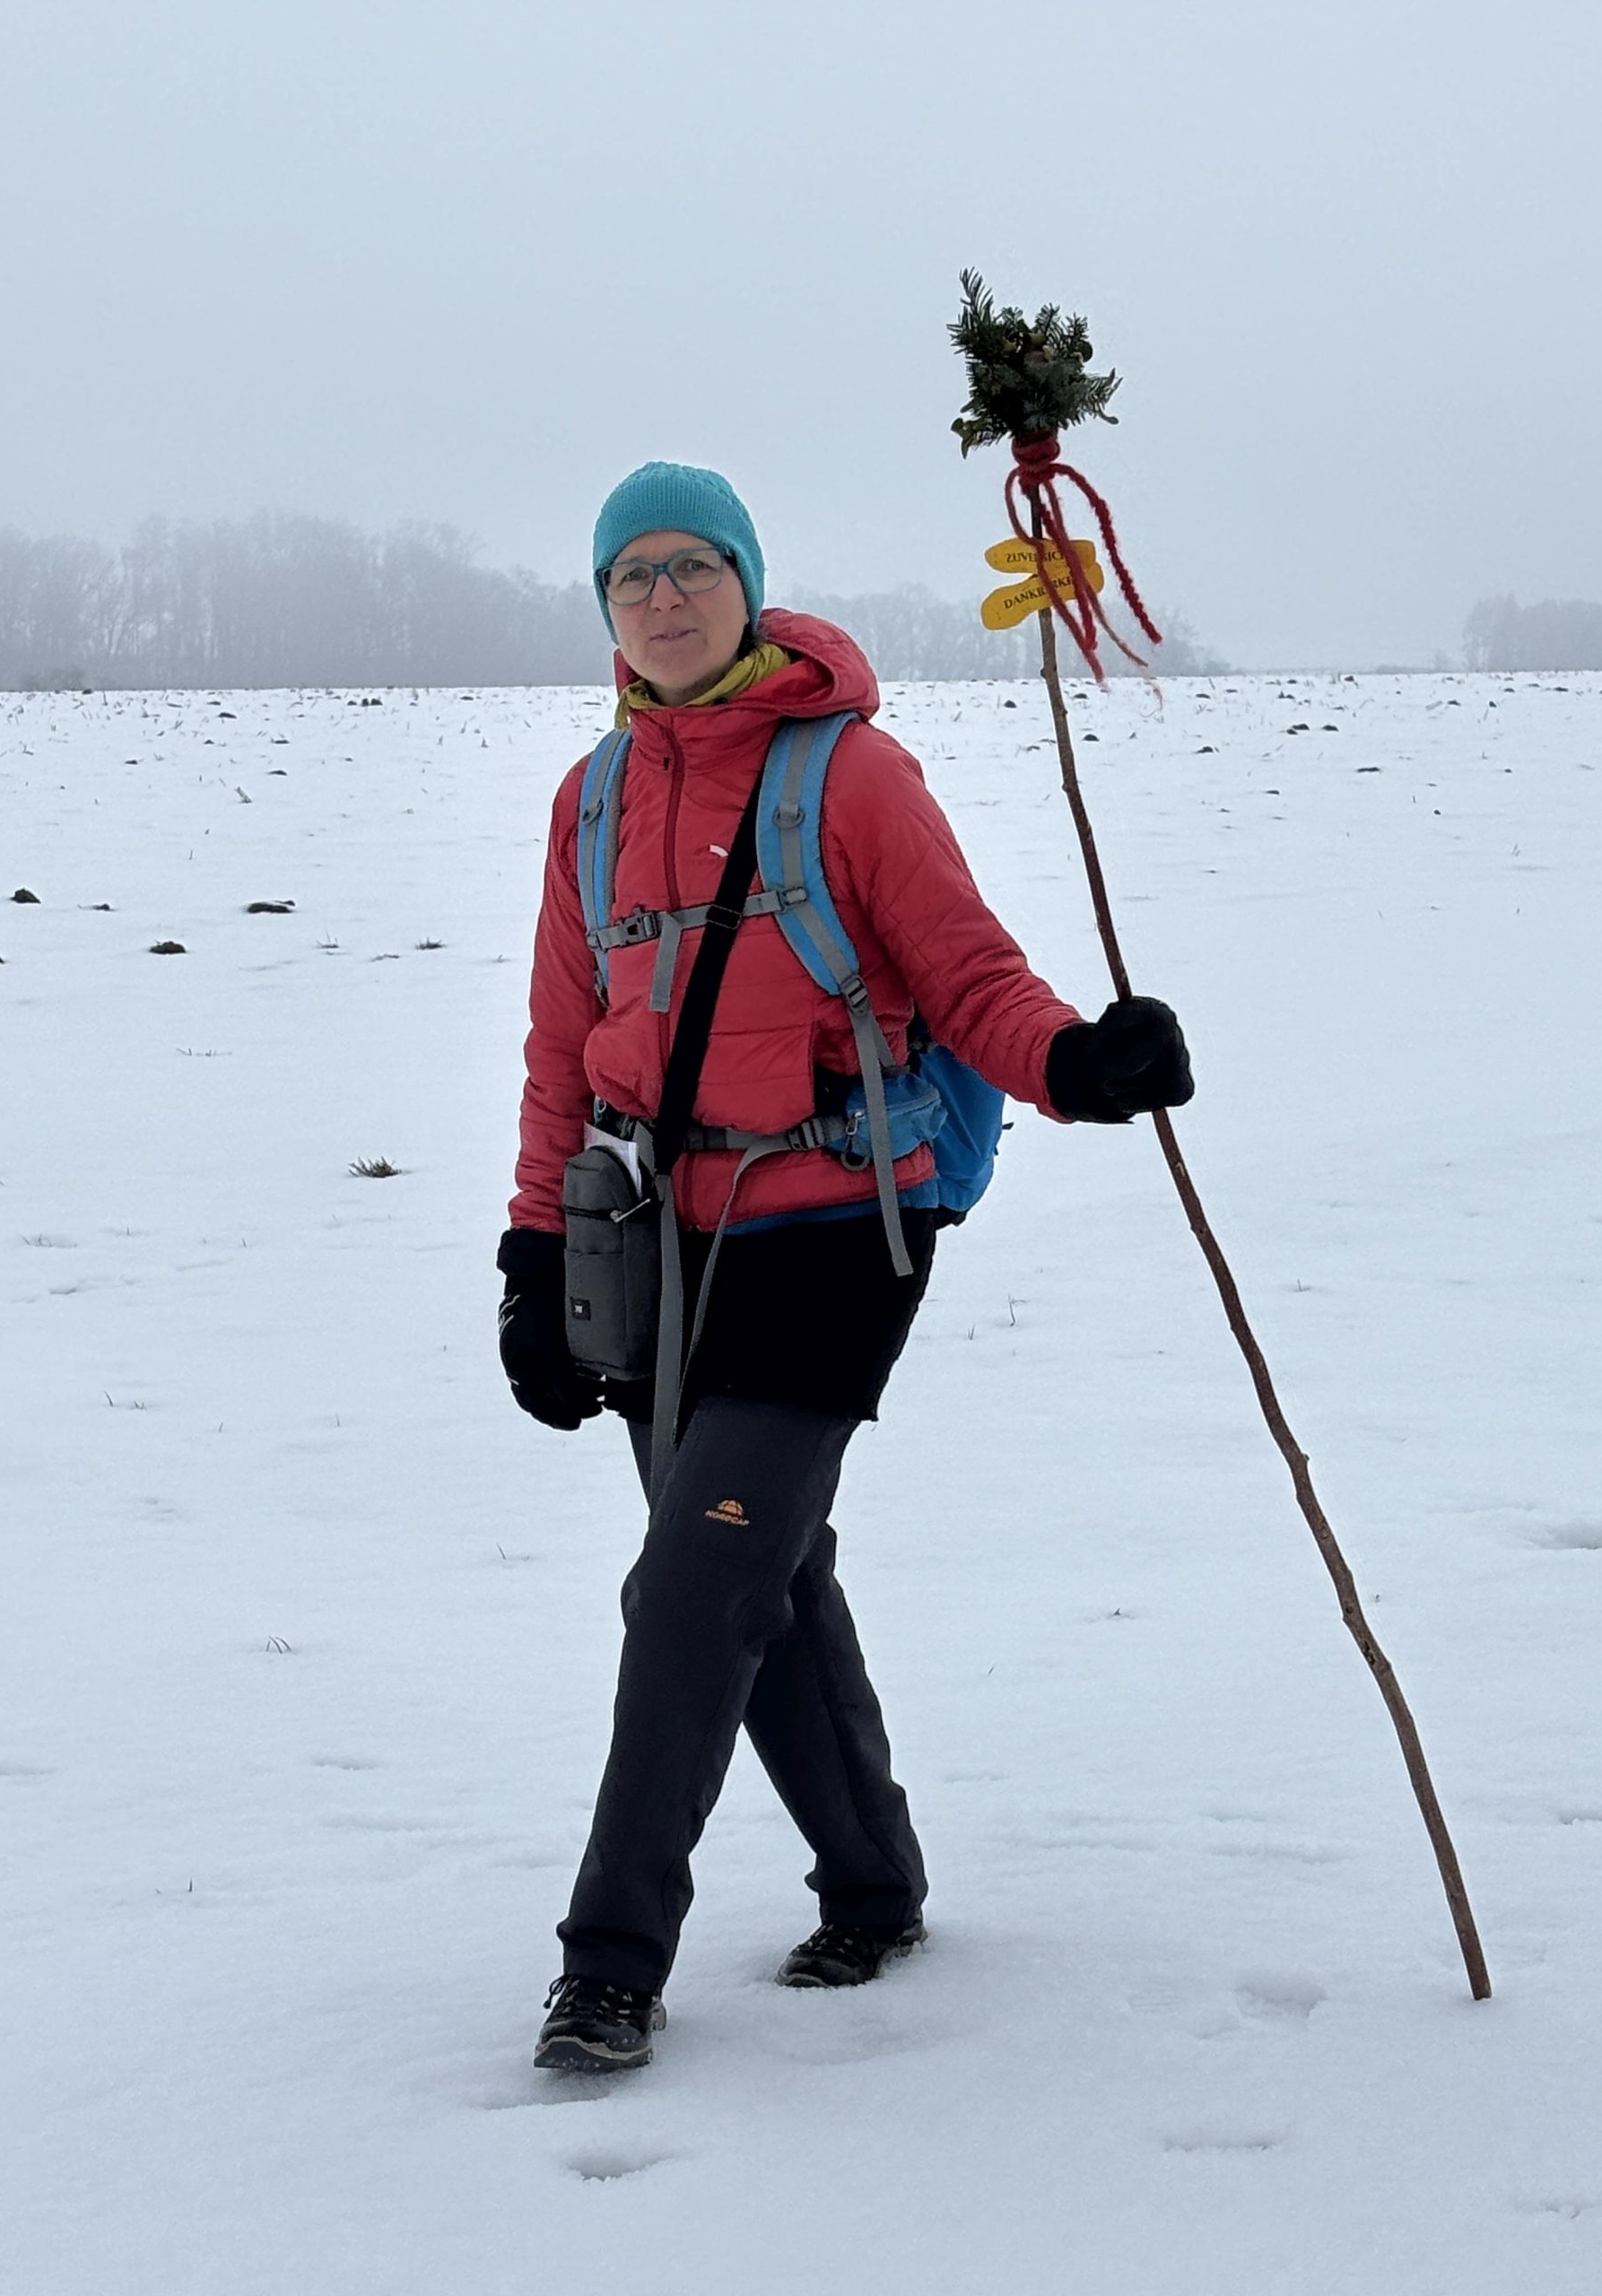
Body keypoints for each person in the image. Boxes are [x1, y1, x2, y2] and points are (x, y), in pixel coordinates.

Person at [499, 462, 1193, 2074]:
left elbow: (968, 977)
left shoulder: (851, 775)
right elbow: (560, 1052)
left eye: (693, 566)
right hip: (654, 1243)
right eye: (631, 577)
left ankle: (609, 1963)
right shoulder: (592, 802)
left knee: (692, 1586)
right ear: (606, 610)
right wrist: (534, 1255)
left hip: (831, 1232)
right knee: (768, 1575)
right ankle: (875, 1890)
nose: (664, 597)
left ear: (747, 584)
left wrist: (1076, 1065)